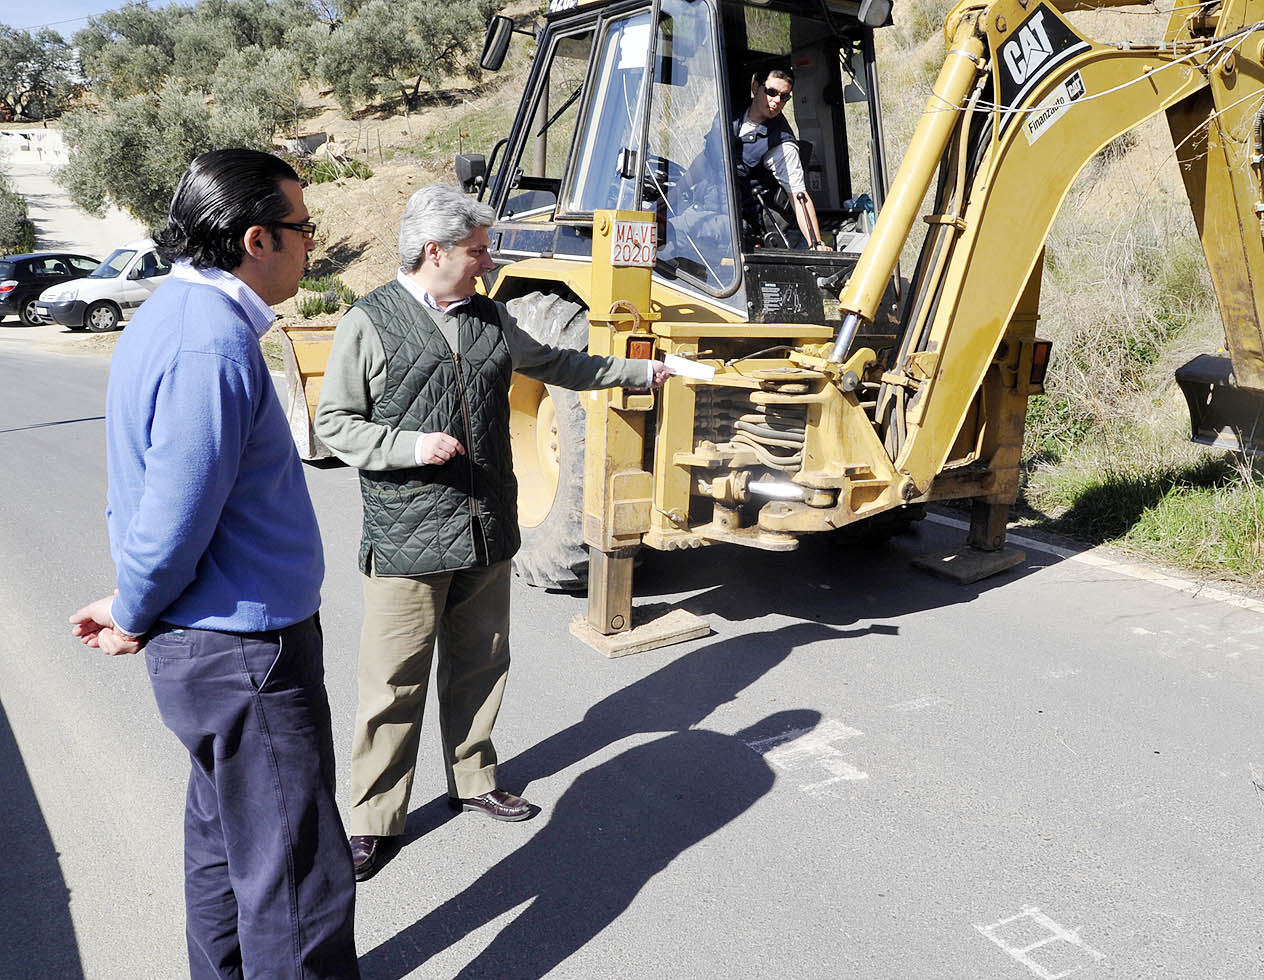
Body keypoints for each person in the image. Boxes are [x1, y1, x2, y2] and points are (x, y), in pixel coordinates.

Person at [313, 182, 673, 882]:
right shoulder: (371, 321)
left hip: (485, 528)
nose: (488, 261)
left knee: (481, 664)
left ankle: (474, 781)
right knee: (393, 683)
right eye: (478, 250)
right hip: (408, 537)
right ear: (434, 250)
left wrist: (638, 370)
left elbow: (559, 365)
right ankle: (373, 819)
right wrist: (410, 447)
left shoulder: (491, 318)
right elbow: (334, 425)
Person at [68, 148, 359, 979]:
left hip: (215, 646)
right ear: (257, 238)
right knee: (297, 881)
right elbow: (175, 510)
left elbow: (164, 497)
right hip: (245, 654)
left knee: (226, 850)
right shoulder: (211, 343)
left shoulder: (175, 315)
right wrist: (132, 609)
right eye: (304, 228)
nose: (314, 243)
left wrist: (136, 599)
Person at [733, 68, 831, 251]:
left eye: (784, 96)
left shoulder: (782, 144)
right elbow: (704, 161)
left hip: (737, 222)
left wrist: (816, 244)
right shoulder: (731, 115)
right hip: (707, 201)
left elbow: (798, 196)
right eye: (771, 92)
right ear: (756, 88)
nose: (777, 101)